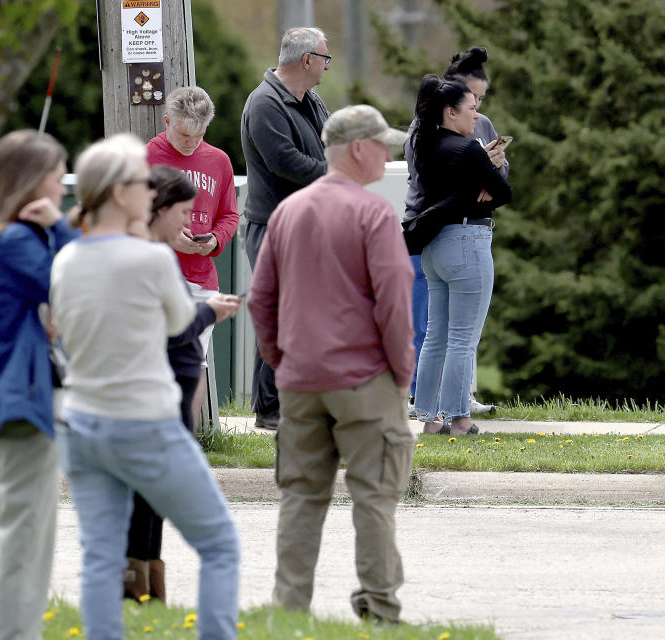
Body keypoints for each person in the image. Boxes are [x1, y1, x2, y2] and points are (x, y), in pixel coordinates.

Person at [51, 134, 240, 639]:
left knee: (101, 557)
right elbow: (182, 321)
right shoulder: (153, 261)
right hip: (144, 422)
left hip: (81, 422)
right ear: (119, 193)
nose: (148, 188)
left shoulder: (67, 258)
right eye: (139, 181)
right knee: (219, 543)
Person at [247, 104, 415, 623]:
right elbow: (393, 300)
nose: (387, 155)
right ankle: (380, 608)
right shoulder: (373, 212)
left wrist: (281, 361)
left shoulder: (288, 212)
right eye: (382, 145)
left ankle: (289, 611)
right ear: (359, 149)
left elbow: (260, 300)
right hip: (364, 379)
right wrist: (401, 372)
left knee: (300, 497)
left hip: (300, 379)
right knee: (374, 497)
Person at [0, 129, 79, 640]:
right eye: (56, 179)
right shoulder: (14, 241)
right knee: (24, 542)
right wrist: (60, 229)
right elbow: (74, 280)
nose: (61, 190)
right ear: (32, 184)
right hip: (21, 401)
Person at [122, 164, 241, 602]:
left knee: (151, 505)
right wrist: (211, 311)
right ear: (161, 208)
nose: (189, 221)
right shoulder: (147, 258)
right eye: (184, 211)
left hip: (165, 402)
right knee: (156, 508)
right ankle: (136, 593)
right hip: (153, 402)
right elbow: (172, 328)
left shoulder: (154, 256)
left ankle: (145, 594)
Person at [404, 46, 507, 417]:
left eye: (481, 100)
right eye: (472, 101)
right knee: (455, 335)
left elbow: (497, 179)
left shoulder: (448, 133)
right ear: (451, 102)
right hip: (454, 235)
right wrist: (483, 172)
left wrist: (489, 171)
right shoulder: (436, 136)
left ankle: (432, 413)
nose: (478, 109)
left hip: (433, 238)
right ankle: (456, 415)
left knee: (437, 334)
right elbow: (501, 191)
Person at [240, 26, 331, 430]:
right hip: (273, 226)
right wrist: (338, 175)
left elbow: (330, 144)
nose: (328, 65)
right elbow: (284, 161)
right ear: (307, 59)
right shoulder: (265, 103)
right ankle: (270, 409)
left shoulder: (312, 101)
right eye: (325, 57)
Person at [146, 86, 239, 428]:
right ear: (167, 121)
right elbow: (131, 217)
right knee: (155, 359)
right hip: (156, 275)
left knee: (194, 363)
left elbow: (230, 215)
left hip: (201, 277)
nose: (191, 142)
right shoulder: (146, 158)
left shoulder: (218, 160)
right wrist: (171, 238)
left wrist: (214, 239)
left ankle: (188, 436)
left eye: (199, 135)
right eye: (184, 134)